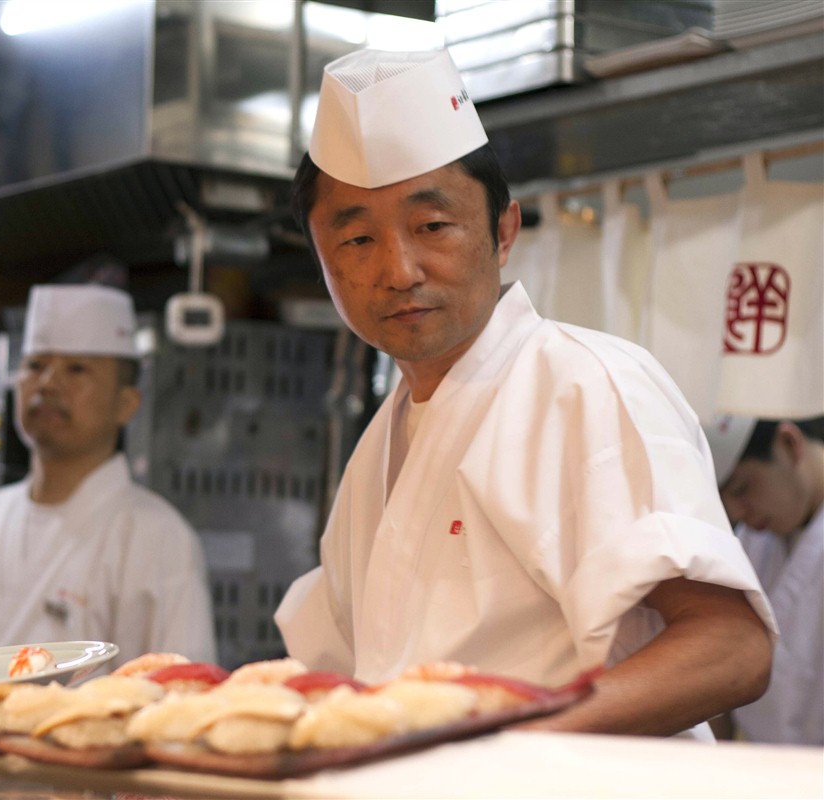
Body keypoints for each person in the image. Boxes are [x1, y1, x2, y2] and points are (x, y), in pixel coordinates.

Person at [273, 47, 776, 738]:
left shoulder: (587, 386)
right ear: (323, 264)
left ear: (504, 231)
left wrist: (506, 746)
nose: (399, 269)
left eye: (432, 226)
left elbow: (731, 649)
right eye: (357, 239)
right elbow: (343, 677)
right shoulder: (380, 449)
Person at [0, 284, 216, 666]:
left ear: (126, 403)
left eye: (77, 369)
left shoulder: (158, 537)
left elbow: (181, 691)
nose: (48, 383)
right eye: (35, 365)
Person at [706, 415, 823, 746]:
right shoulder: (749, 544)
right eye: (723, 500)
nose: (736, 511)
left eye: (742, 488)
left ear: (789, 445)